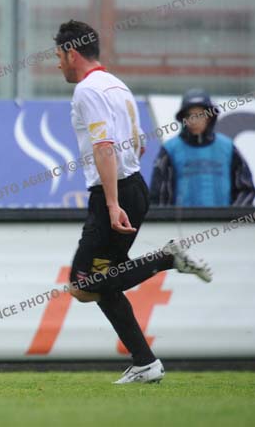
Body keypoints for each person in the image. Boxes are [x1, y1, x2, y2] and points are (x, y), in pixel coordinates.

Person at [54, 20, 212, 384]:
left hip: (115, 193)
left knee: (82, 284)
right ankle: (145, 363)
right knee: (103, 283)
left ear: (71, 53)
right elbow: (139, 143)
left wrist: (111, 203)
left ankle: (168, 258)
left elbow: (104, 146)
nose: (57, 64)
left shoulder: (87, 91)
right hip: (134, 186)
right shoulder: (117, 85)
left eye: (58, 56)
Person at [150, 89, 255, 207]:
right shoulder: (170, 149)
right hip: (182, 219)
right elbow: (159, 195)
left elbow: (245, 189)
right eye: (189, 115)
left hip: (223, 218)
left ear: (209, 117)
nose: (194, 120)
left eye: (200, 115)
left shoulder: (228, 148)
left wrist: (232, 215)